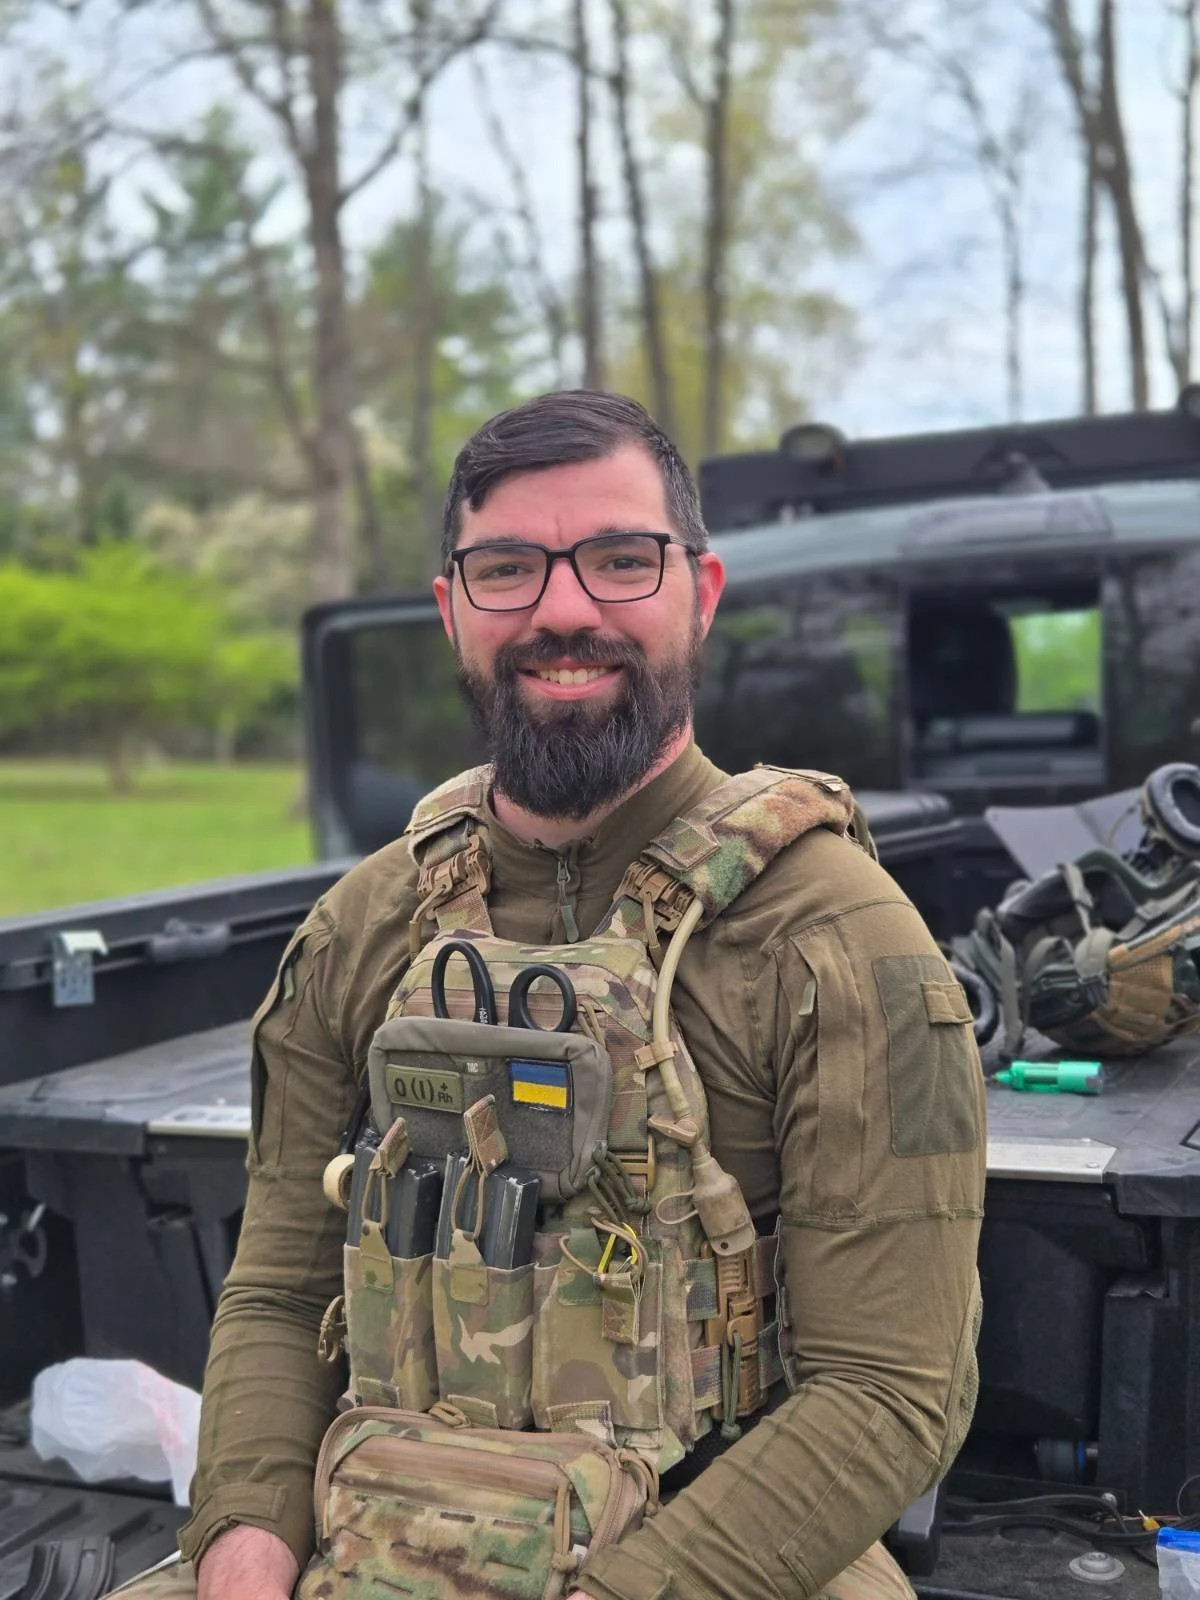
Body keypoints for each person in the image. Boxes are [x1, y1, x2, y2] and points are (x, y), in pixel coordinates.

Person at [115, 390, 985, 1600]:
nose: (563, 610)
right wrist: (246, 1556)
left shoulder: (845, 941)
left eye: (622, 560)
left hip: (711, 1551)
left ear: (701, 591)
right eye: (508, 568)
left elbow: (888, 1392)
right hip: (380, 1527)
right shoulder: (361, 926)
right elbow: (277, 1296)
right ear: (451, 609)